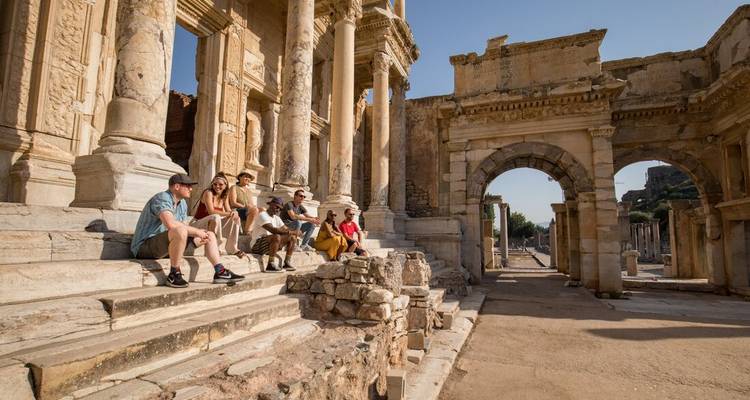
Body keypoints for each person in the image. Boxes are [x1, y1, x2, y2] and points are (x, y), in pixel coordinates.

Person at [131, 173, 244, 288]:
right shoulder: (162, 198)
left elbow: (183, 226)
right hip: (145, 246)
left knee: (209, 234)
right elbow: (171, 224)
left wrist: (198, 237)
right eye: (188, 186)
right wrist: (196, 232)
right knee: (180, 230)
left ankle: (220, 272)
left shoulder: (183, 204)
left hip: (169, 245)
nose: (191, 189)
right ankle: (174, 273)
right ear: (177, 187)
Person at [191, 172, 245, 257]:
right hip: (198, 224)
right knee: (215, 216)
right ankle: (215, 245)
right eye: (215, 184)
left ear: (225, 185)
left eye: (220, 184)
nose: (217, 186)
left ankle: (233, 249)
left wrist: (234, 213)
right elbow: (211, 211)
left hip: (213, 224)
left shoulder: (224, 196)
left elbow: (228, 211)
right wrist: (230, 213)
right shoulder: (208, 193)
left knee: (235, 218)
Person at [251, 197, 301, 272]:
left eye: (280, 209)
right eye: (277, 207)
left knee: (292, 237)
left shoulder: (276, 218)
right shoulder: (263, 215)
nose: (278, 210)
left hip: (271, 243)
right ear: (271, 204)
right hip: (257, 245)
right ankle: (270, 264)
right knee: (277, 236)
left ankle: (287, 262)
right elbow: (273, 230)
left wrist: (296, 232)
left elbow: (286, 229)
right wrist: (293, 232)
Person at [228, 169, 262, 234]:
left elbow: (251, 204)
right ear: (240, 177)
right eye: (245, 176)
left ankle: (259, 231)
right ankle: (247, 231)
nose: (247, 179)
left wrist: (252, 207)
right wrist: (245, 206)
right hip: (237, 210)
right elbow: (233, 203)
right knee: (254, 209)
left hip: (247, 210)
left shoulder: (249, 191)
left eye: (249, 177)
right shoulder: (234, 187)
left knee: (262, 210)